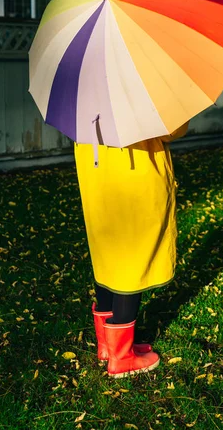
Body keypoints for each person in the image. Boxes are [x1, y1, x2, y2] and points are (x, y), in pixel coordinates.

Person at [74, 121, 189, 378]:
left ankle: (108, 345)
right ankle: (122, 358)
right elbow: (172, 130)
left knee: (108, 255)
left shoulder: (88, 92)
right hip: (133, 178)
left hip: (98, 177)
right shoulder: (140, 87)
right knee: (131, 261)